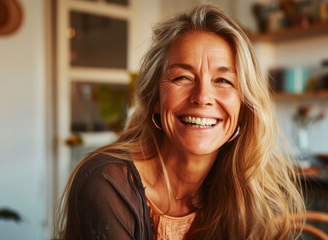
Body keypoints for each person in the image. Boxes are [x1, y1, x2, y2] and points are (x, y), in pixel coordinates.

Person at [56, 4, 306, 240]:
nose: (202, 97)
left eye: (223, 81)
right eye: (183, 77)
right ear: (155, 97)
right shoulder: (107, 183)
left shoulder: (247, 192)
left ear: (243, 108)